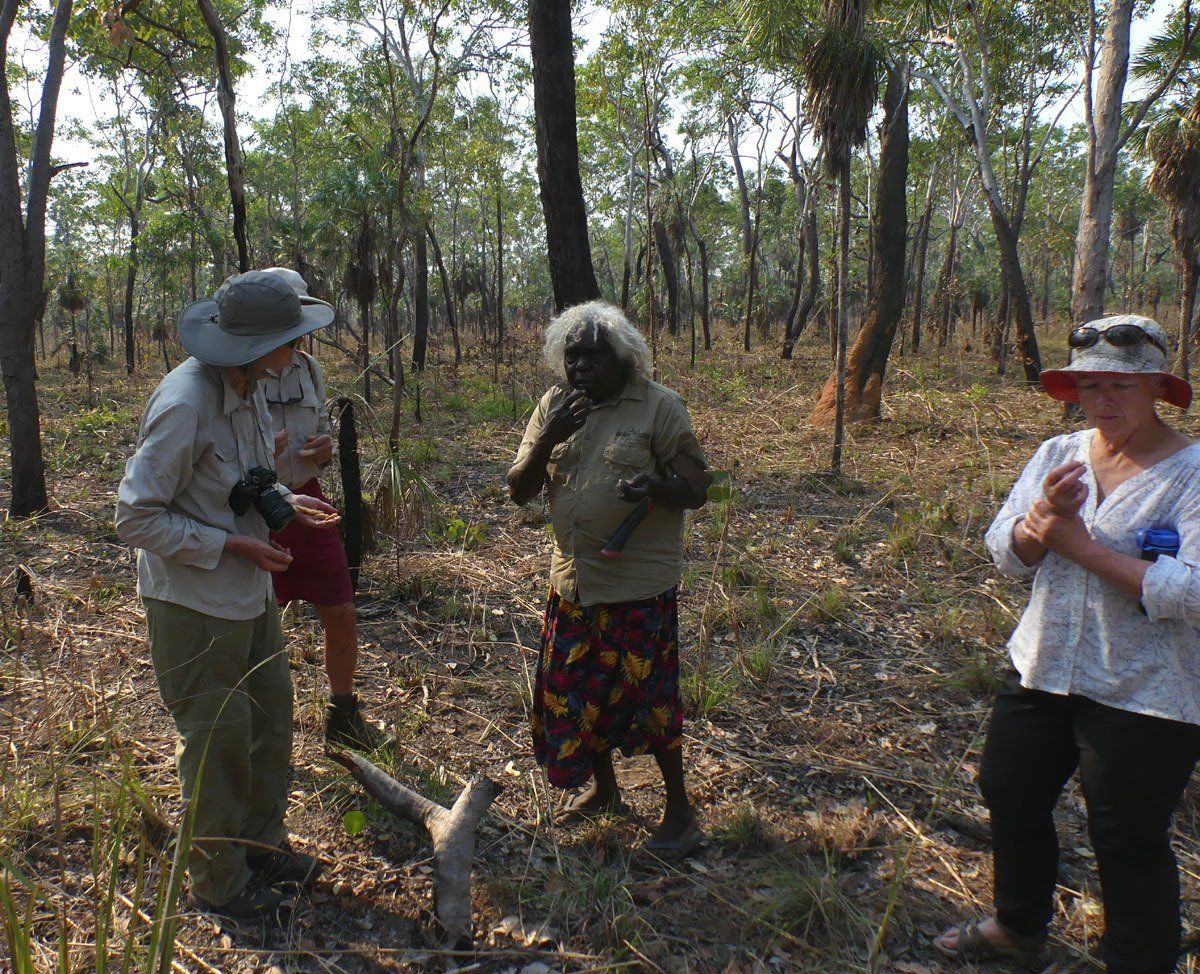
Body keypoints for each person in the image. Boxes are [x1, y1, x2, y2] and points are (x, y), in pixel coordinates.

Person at [935, 314, 1200, 972]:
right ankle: (1018, 924)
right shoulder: (1059, 455)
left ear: (1158, 389)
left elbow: (1194, 593)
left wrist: (1078, 544)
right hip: (1044, 663)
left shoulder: (1192, 475)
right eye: (1090, 387)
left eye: (1121, 386)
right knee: (1009, 788)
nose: (1104, 402)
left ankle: (1135, 960)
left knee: (1127, 832)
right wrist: (1040, 524)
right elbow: (1005, 552)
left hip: (1147, 688)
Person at [116, 271, 341, 921]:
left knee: (269, 720)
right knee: (217, 738)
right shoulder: (185, 401)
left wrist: (284, 500)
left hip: (247, 590)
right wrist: (233, 546)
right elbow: (134, 517)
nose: (297, 352)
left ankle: (260, 846)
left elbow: (244, 476)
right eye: (288, 340)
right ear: (253, 344)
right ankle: (219, 879)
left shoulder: (251, 389)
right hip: (193, 599)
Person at [507, 301, 712, 856]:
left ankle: (680, 816)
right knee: (578, 695)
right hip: (573, 581)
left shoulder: (659, 407)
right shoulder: (554, 407)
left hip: (636, 590)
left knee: (653, 703)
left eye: (595, 356)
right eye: (572, 356)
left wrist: (658, 487)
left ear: (624, 358)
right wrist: (548, 437)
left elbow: (698, 484)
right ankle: (604, 790)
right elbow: (519, 489)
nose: (581, 367)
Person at [251, 267, 383, 751]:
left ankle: (342, 712)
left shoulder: (309, 369)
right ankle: (260, 723)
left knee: (341, 608)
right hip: (256, 512)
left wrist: (324, 447)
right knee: (258, 619)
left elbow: (322, 428)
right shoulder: (239, 372)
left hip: (309, 498)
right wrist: (260, 454)